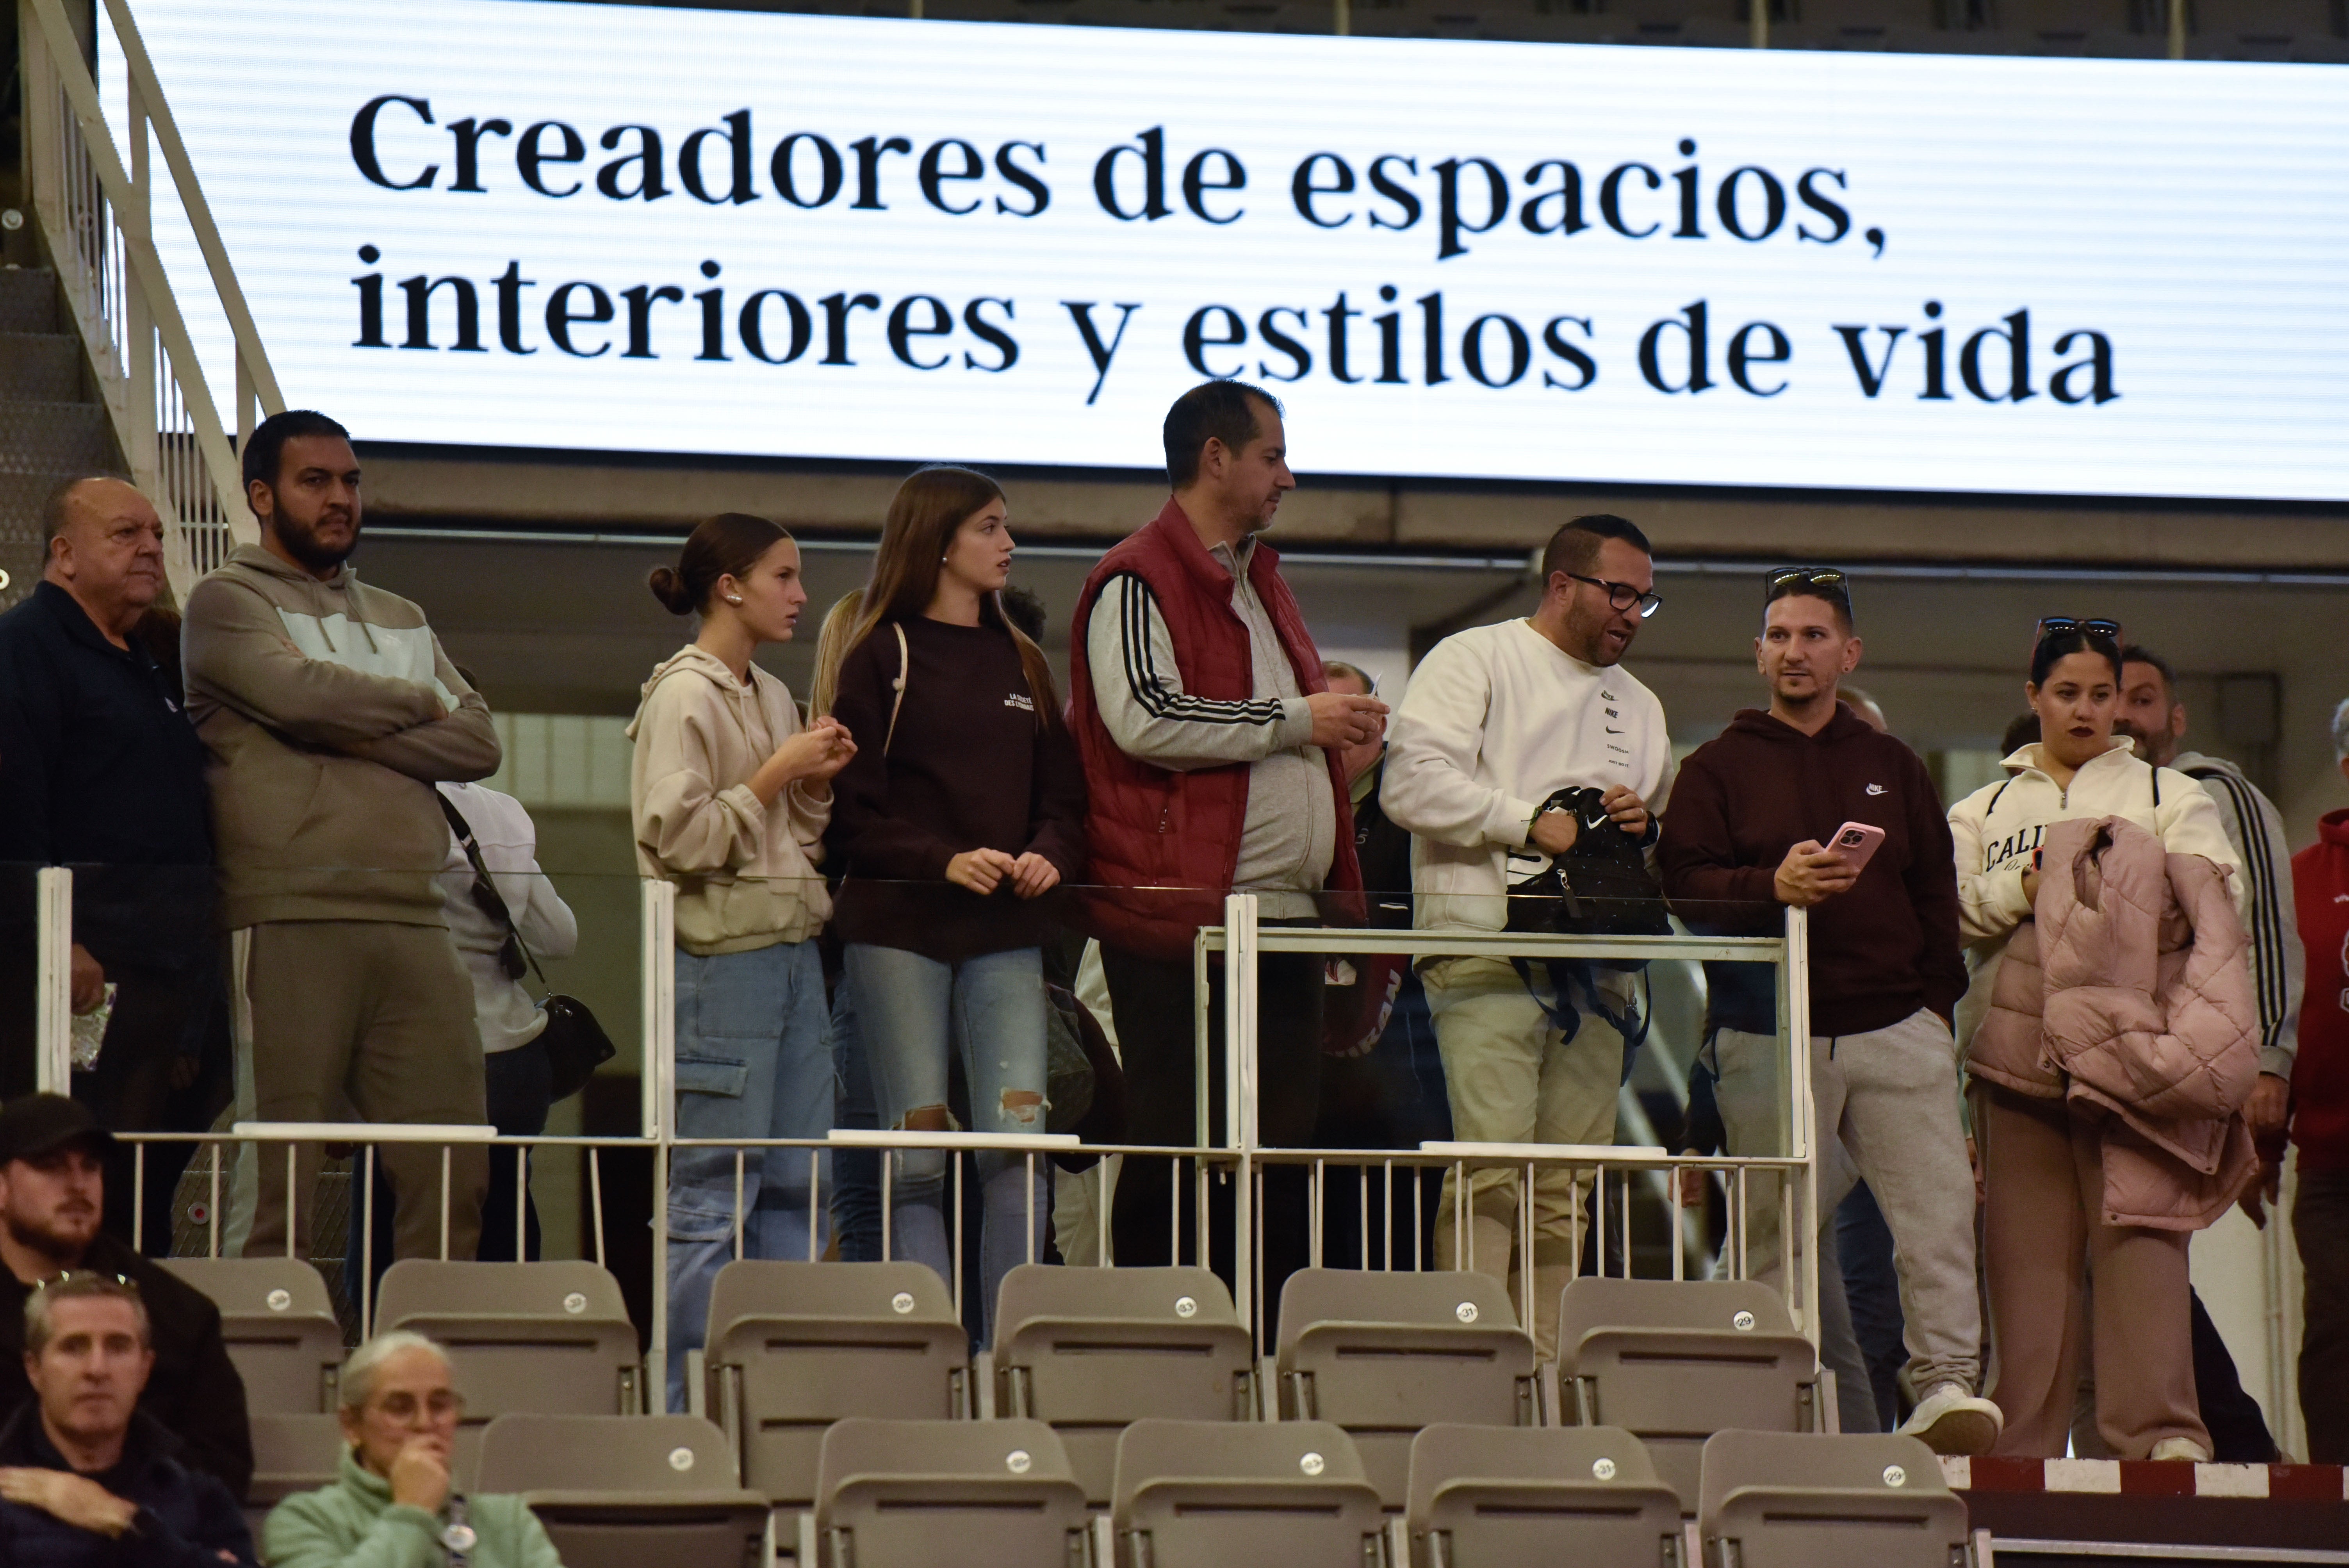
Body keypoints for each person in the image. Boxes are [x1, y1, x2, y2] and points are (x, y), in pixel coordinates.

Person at [1657, 567, 1998, 1454]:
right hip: (1769, 1029)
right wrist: (1769, 885)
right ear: (1757, 651)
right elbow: (1682, 885)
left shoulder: (1889, 765)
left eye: (1812, 635)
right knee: (1773, 1234)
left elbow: (1935, 892)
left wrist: (1931, 1010)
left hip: (1896, 1025)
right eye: (1776, 634)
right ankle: (1773, 1399)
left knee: (1936, 1218)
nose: (1792, 650)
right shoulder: (1716, 767)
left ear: (1848, 653)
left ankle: (1945, 1385)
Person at [1068, 381, 1379, 1295]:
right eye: (1271, 455)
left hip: (1273, 919)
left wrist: (1318, 728)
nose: (1287, 475)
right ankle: (1161, 1335)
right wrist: (1299, 717)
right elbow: (1143, 716)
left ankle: (1263, 1347)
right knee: (1172, 1135)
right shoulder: (1136, 573)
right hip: (1181, 914)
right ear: (1215, 457)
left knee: (1276, 1148)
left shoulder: (1254, 579)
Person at [180, 410, 499, 1266]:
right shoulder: (225, 600)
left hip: (416, 917)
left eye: (349, 481)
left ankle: (422, 1381)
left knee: (453, 1171)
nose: (339, 498)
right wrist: (408, 703)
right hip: (288, 912)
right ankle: (261, 1372)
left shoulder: (402, 611)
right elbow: (297, 695)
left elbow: (479, 741)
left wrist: (344, 722)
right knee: (279, 1171)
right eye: (313, 481)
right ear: (261, 495)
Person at [1949, 619, 2247, 1461]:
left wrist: (2093, 885)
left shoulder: (2168, 795)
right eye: (2065, 693)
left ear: (2121, 701)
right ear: (2032, 698)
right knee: (2024, 1265)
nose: (2083, 710)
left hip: (2135, 1063)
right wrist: (2031, 884)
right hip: (2014, 1066)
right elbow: (1950, 914)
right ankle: (2022, 1446)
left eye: (2099, 694)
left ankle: (2157, 1435)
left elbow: (2213, 912)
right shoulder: (1981, 807)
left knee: (2141, 1244)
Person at [1381, 514, 1672, 1359]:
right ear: (1560, 584)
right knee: (1492, 1165)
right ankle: (1473, 1366)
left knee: (1564, 1185)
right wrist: (1523, 821)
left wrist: (1636, 825)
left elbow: (1637, 829)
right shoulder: (1476, 657)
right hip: (1483, 945)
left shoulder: (1643, 705)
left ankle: (1544, 1374)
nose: (1629, 614)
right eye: (1617, 592)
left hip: (1596, 960)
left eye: (1644, 601)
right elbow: (1411, 785)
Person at [820, 467, 1087, 1342]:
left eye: (1005, 525)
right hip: (898, 932)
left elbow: (1064, 803)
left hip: (1005, 937)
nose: (1007, 543)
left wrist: (1046, 856)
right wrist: (944, 860)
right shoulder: (879, 654)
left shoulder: (1024, 659)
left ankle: (1010, 1362)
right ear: (937, 540)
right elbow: (850, 819)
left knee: (1020, 1156)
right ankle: (923, 1359)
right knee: (916, 1161)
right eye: (988, 526)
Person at [629, 512, 855, 1404]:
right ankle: (685, 1402)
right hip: (721, 965)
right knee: (714, 1189)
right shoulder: (684, 693)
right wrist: (778, 771)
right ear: (730, 585)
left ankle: (770, 1401)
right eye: (784, 576)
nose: (800, 595)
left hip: (794, 951)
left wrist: (810, 779)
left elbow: (793, 834)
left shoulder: (765, 691)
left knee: (801, 1187)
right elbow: (679, 837)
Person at [0, 476, 221, 1245]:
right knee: (71, 1166)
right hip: (78, 966)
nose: (152, 547)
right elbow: (13, 801)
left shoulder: (143, 657)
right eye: (125, 534)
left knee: (133, 1186)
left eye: (155, 533)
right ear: (63, 555)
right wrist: (55, 940)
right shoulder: (27, 645)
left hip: (163, 966)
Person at [345, 772, 583, 1300]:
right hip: (516, 1058)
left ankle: (394, 1356)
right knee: (505, 1215)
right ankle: (504, 1348)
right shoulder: (504, 814)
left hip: (420, 1055)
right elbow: (559, 938)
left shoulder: (381, 801)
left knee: (392, 1221)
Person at [0, 1095, 249, 1497]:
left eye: (91, 1166)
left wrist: (110, 1510)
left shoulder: (176, 1313)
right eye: (51, 1166)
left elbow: (222, 1469)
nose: (78, 1184)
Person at [2115, 647, 2299, 1153]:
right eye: (2110, 698)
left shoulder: (2219, 798)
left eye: (2143, 699)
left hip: (2193, 1064)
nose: (2123, 714)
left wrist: (2269, 1060)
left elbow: (2265, 926)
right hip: (2108, 1070)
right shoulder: (2086, 813)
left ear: (2177, 719)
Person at [0, 1273, 254, 1566]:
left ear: (145, 1369)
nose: (97, 1369)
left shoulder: (201, 1498)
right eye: (74, 1347)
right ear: (34, 1369)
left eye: (118, 1347)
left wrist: (125, 1521)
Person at [263, 1332, 559, 1568]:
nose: (425, 1423)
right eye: (400, 1408)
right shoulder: (304, 1520)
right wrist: (413, 1513)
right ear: (351, 1426)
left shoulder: (510, 1522)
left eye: (440, 1405)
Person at [2288, 698, 2349, 1464]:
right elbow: (2279, 1015)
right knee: (2336, 1322)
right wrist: (2261, 1146)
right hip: (2331, 1159)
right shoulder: (2299, 878)